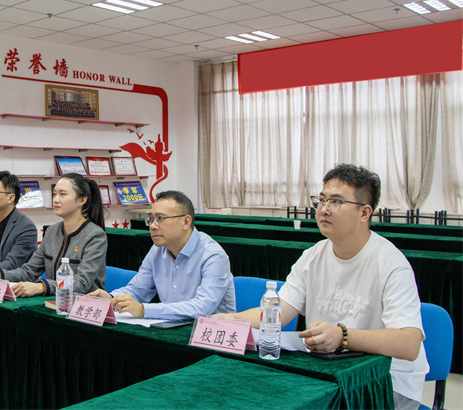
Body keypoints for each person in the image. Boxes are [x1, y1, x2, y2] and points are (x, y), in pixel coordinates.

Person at [217, 164, 428, 410]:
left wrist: (342, 336)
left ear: (364, 212)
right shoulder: (312, 256)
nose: (324, 209)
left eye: (336, 202)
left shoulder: (391, 264)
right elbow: (279, 311)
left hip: (385, 383)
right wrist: (231, 319)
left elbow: (409, 343)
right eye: (322, 199)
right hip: (330, 373)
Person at [89, 190, 236, 320]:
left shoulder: (213, 256)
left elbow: (202, 308)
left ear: (186, 222)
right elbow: (138, 289)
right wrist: (111, 298)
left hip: (210, 335)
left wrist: (143, 310)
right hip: (173, 329)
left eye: (161, 218)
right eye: (151, 219)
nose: (153, 226)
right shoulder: (157, 250)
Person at [0, 173, 107, 298]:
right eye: (54, 194)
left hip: (83, 304)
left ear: (82, 200)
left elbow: (81, 283)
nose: (55, 199)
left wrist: (41, 287)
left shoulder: (95, 236)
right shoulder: (51, 231)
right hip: (54, 302)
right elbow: (29, 271)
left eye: (62, 194)